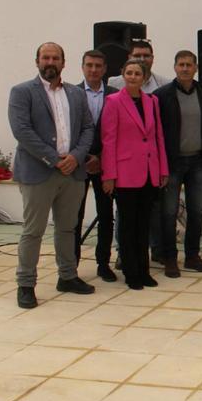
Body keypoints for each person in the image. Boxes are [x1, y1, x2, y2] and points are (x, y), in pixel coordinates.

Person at [9, 42, 96, 308]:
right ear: (37, 61)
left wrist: (76, 157)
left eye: (55, 58)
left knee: (67, 228)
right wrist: (54, 158)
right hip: (39, 171)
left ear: (63, 63)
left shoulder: (76, 94)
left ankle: (67, 276)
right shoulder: (22, 92)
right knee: (33, 231)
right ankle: (26, 284)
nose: (50, 62)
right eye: (45, 57)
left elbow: (87, 128)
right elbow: (22, 131)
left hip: (72, 172)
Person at [100, 59, 169, 290]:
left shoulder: (152, 101)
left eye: (137, 73)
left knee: (144, 225)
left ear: (144, 77)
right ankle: (131, 272)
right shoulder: (113, 101)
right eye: (128, 72)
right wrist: (108, 175)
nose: (132, 76)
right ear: (122, 75)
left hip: (150, 172)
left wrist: (163, 170)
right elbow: (108, 141)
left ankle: (144, 270)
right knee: (128, 225)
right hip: (126, 173)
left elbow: (158, 137)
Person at [153, 50, 202, 277]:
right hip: (173, 162)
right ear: (175, 67)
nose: (185, 68)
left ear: (196, 68)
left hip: (198, 161)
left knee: (197, 211)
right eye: (181, 64)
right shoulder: (162, 95)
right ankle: (170, 258)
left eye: (189, 65)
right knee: (168, 213)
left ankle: (192, 256)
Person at [73, 50, 118, 282]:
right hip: (77, 164)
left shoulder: (114, 94)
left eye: (98, 66)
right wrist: (83, 157)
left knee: (105, 214)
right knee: (74, 217)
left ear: (105, 68)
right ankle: (72, 266)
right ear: (82, 67)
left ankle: (103, 263)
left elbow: (117, 132)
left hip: (106, 163)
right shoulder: (71, 93)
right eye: (89, 65)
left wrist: (100, 157)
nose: (93, 70)